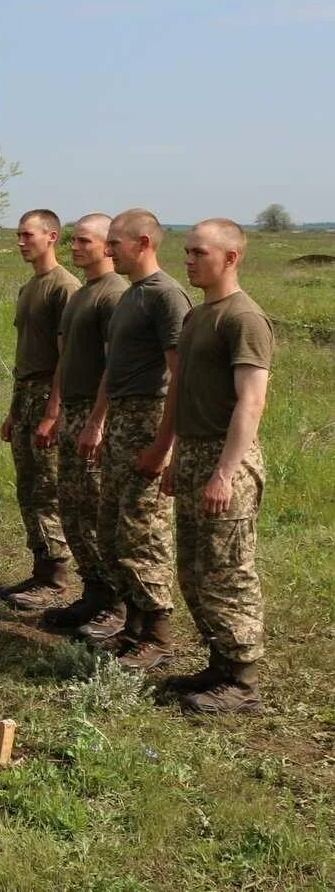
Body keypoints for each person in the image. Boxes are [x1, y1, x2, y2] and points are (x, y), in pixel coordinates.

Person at [162, 219, 273, 714]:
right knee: (193, 569)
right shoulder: (197, 317)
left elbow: (251, 403)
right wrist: (173, 457)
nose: (188, 260)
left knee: (227, 571)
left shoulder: (244, 318)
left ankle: (243, 682)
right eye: (186, 251)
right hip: (192, 452)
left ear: (231, 258)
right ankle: (220, 663)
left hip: (226, 457)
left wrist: (225, 472)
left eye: (199, 252)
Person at [94, 209, 192, 669]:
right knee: (112, 530)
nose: (107, 249)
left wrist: (163, 445)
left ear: (144, 242)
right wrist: (100, 420)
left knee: (142, 533)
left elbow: (181, 377)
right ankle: (133, 627)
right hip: (121, 423)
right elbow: (113, 370)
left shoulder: (166, 296)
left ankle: (158, 635)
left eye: (115, 242)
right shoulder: (131, 295)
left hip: (148, 421)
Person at [38, 213, 130, 638]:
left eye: (84, 241)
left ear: (108, 245)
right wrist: (55, 412)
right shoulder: (80, 296)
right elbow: (63, 359)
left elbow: (114, 367)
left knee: (95, 511)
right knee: (73, 510)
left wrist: (99, 419)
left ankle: (115, 602)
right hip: (72, 412)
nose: (75, 248)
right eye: (73, 241)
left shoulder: (114, 295)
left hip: (95, 417)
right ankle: (93, 591)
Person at [0, 209, 80, 609]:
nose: (20, 242)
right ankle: (40, 571)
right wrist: (15, 411)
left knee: (48, 489)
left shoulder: (64, 288)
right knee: (28, 488)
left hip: (50, 395)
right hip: (27, 395)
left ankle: (57, 578)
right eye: (18, 235)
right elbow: (23, 355)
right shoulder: (30, 288)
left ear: (52, 237)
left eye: (28, 235)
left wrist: (53, 412)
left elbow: (68, 358)